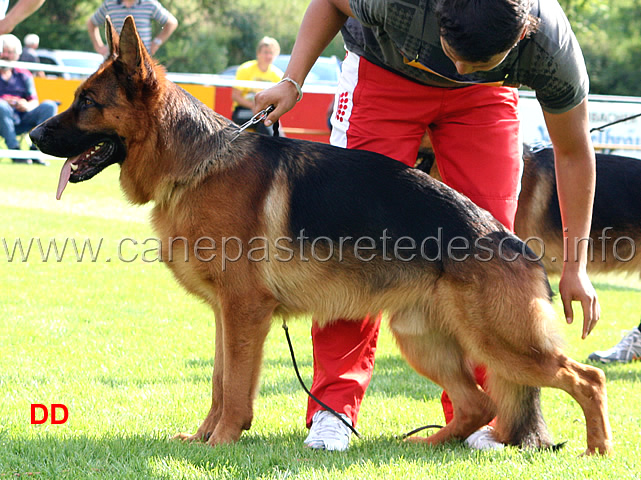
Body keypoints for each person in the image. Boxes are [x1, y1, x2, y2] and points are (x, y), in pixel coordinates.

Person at [255, 0, 600, 451]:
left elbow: (573, 153)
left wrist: (575, 266)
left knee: (489, 249)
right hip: (385, 72)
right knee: (348, 240)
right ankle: (333, 409)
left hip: (484, 95)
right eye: (452, 51)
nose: (454, 67)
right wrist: (292, 79)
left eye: (467, 62)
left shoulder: (551, 46)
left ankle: (482, 415)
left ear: (519, 40)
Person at [0, 33, 56, 164]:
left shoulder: (24, 74)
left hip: (22, 117)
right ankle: (15, 151)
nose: (6, 55)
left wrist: (26, 105)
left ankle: (36, 151)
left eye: (10, 52)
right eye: (3, 52)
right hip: (1, 118)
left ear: (17, 55)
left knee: (49, 106)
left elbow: (34, 101)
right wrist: (4, 101)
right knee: (1, 106)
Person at [231, 36, 283, 136]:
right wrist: (252, 106)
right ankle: (279, 148)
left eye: (271, 53)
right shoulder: (245, 69)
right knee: (266, 122)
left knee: (268, 123)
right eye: (265, 52)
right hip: (242, 111)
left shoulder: (277, 75)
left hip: (264, 113)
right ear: (258, 53)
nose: (268, 56)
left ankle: (276, 146)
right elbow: (235, 96)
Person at [87, 0, 178, 57]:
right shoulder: (110, 3)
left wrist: (157, 42)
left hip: (141, 60)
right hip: (115, 58)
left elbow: (171, 22)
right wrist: (99, 46)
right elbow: (91, 23)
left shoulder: (149, 3)